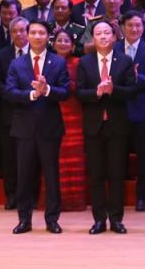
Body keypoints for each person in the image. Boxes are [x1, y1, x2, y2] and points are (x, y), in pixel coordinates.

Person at [7, 20, 71, 234]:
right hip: (24, 128)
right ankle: (24, 219)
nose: (36, 36)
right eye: (33, 32)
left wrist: (48, 90)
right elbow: (10, 92)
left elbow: (65, 92)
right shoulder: (17, 63)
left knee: (51, 176)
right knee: (24, 176)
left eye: (41, 33)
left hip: (49, 128)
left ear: (47, 37)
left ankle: (52, 219)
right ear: (27, 35)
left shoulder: (58, 62)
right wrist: (33, 94)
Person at [76, 21, 138, 234]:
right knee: (96, 175)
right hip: (94, 127)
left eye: (106, 33)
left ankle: (116, 219)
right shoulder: (85, 62)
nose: (103, 37)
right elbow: (79, 93)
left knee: (116, 174)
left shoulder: (125, 61)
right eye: (98, 33)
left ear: (114, 36)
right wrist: (97, 92)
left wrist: (113, 90)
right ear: (93, 38)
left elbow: (132, 91)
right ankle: (99, 220)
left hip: (117, 126)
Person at [114, 13, 145, 210]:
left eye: (138, 26)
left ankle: (142, 197)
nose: (134, 29)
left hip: (142, 110)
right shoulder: (114, 48)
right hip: (118, 109)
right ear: (122, 27)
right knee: (117, 155)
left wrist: (137, 77)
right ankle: (117, 198)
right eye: (130, 25)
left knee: (144, 155)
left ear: (143, 28)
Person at [0, 17, 30, 210]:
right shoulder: (2, 55)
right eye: (15, 31)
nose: (19, 34)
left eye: (23, 30)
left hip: (32, 111)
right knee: (9, 157)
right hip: (8, 112)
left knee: (30, 157)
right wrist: (13, 96)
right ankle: (12, 195)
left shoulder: (38, 53)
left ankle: (29, 196)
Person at [52, 29, 87, 212]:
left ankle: (75, 200)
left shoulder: (79, 63)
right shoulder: (48, 62)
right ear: (53, 44)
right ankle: (54, 201)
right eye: (59, 40)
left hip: (75, 115)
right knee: (54, 158)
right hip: (53, 112)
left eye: (67, 41)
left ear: (73, 46)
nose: (63, 43)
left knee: (75, 158)